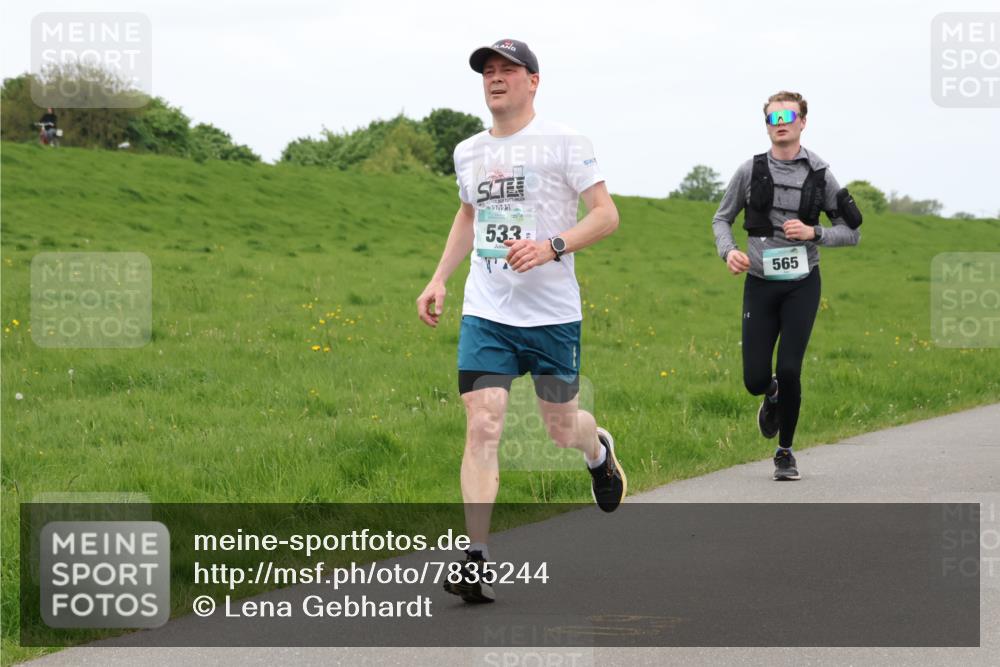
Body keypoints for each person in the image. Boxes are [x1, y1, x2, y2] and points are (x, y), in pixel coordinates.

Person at [416, 39, 626, 603]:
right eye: (488, 70)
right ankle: (476, 557)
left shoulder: (565, 142)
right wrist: (439, 277)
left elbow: (606, 215)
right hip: (488, 312)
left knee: (560, 428)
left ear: (534, 80)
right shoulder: (468, 151)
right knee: (483, 424)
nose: (496, 78)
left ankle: (597, 450)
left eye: (508, 69)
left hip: (553, 316)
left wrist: (552, 245)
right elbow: (469, 214)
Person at [712, 91, 862, 481]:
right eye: (772, 116)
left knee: (791, 369)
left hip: (802, 284)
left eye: (788, 115)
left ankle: (785, 453)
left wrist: (815, 232)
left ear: (802, 122)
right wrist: (728, 252)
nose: (780, 121)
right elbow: (721, 219)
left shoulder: (820, 174)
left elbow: (853, 232)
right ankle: (771, 393)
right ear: (766, 125)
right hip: (760, 283)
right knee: (755, 380)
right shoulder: (750, 170)